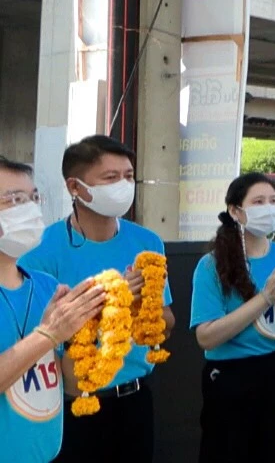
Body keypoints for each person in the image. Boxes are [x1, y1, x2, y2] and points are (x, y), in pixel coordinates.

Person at [21, 135, 175, 462]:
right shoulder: (40, 251)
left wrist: (139, 306)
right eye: (111, 177)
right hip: (71, 405)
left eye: (129, 176)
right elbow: (38, 343)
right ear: (75, 188)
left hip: (134, 399)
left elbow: (166, 322)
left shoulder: (148, 242)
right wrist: (110, 301)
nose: (123, 185)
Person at [0, 157, 106, 463]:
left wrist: (79, 336)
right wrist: (48, 334)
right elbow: (48, 336)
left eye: (34, 198)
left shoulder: (47, 286)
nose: (32, 209)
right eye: (16, 200)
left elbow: (71, 386)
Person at [190, 173, 275, 463]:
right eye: (258, 202)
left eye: (274, 201)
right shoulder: (213, 264)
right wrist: (265, 299)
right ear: (236, 211)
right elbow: (206, 336)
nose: (269, 208)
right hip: (230, 379)